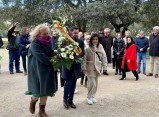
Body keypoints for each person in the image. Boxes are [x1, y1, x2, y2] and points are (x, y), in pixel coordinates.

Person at [25, 24, 57, 117]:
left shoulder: (49, 40)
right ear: (38, 33)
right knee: (38, 90)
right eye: (44, 34)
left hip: (47, 67)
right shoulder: (35, 42)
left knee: (46, 89)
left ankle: (42, 111)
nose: (46, 35)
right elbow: (40, 56)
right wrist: (52, 60)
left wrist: (56, 54)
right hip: (37, 69)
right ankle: (33, 100)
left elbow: (50, 52)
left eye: (47, 33)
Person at [61, 27, 84, 109]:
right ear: (70, 33)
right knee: (67, 82)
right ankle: (65, 100)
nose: (76, 34)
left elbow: (83, 52)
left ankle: (70, 100)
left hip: (76, 65)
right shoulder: (65, 41)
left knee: (74, 82)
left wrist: (78, 55)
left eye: (77, 33)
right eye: (75, 33)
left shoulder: (80, 41)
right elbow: (61, 52)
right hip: (67, 65)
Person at [82, 34, 107, 105]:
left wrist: (105, 67)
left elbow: (104, 57)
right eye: (94, 39)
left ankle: (93, 95)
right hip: (90, 68)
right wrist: (84, 68)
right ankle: (89, 97)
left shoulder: (100, 47)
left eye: (96, 39)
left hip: (98, 68)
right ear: (91, 40)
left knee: (96, 83)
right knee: (92, 83)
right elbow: (84, 59)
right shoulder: (87, 48)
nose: (95, 41)